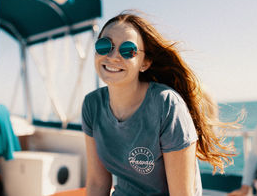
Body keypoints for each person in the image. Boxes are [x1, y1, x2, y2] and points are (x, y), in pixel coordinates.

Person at [82, 11, 235, 196]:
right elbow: (97, 183)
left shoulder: (166, 105)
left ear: (144, 63)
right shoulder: (92, 105)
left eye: (127, 50)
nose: (113, 56)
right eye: (105, 45)